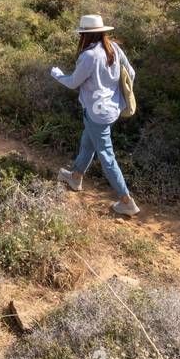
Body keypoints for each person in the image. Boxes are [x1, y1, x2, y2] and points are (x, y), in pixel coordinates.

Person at [51, 15, 139, 216]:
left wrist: (57, 74)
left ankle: (126, 201)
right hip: (112, 109)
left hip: (96, 113)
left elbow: (73, 83)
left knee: (107, 156)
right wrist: (114, 93)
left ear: (85, 35)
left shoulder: (89, 56)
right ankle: (75, 177)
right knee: (88, 143)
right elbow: (131, 74)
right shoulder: (114, 48)